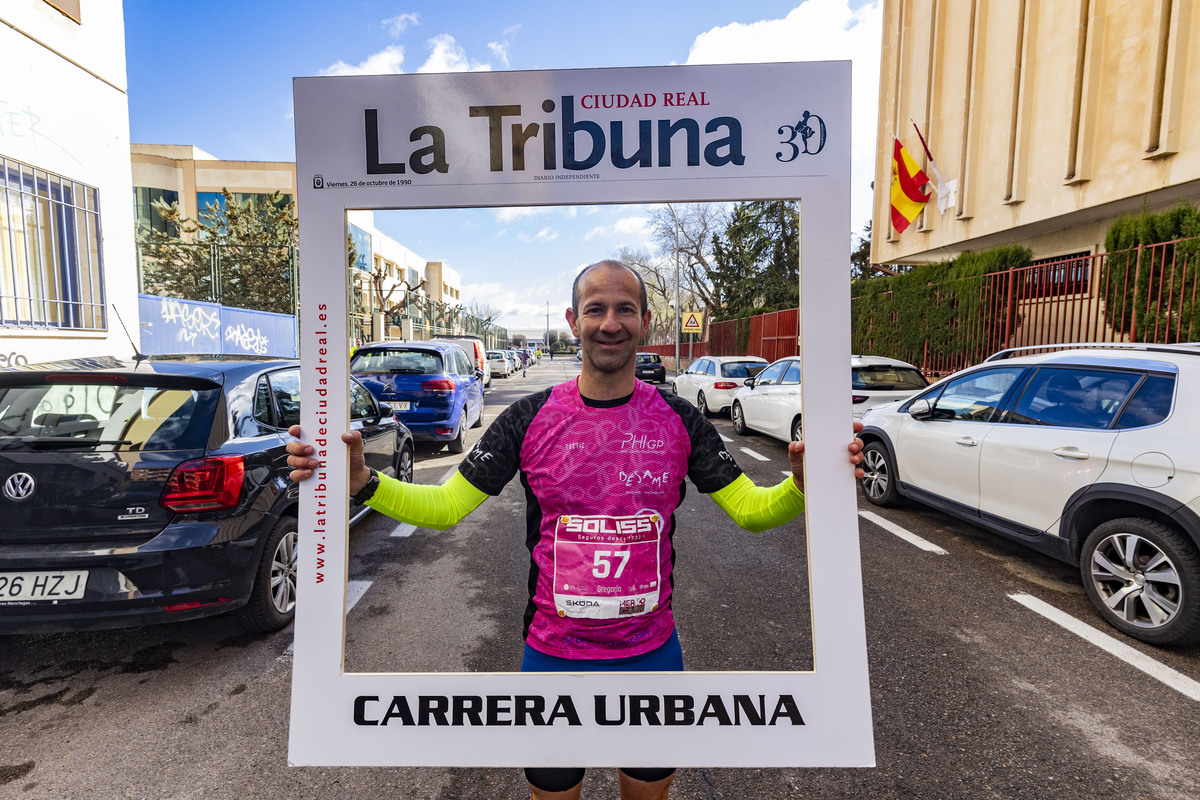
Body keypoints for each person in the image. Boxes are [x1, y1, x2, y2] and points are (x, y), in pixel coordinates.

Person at [286, 260, 865, 800]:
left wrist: (803, 487)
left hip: (651, 658)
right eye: (595, 309)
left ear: (644, 321)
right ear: (573, 321)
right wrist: (365, 483)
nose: (610, 323)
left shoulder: (680, 419)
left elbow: (752, 512)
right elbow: (445, 508)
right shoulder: (529, 416)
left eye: (624, 309)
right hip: (553, 659)